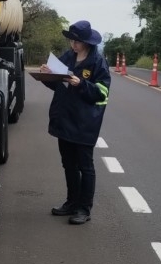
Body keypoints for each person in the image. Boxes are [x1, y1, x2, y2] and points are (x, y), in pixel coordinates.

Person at [39, 20, 111, 225]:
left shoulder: (98, 62)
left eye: (77, 41)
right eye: (71, 40)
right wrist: (47, 75)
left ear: (87, 42)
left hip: (85, 122)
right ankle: (71, 203)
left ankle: (83, 208)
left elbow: (102, 94)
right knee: (68, 164)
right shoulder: (68, 57)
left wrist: (82, 84)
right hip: (64, 119)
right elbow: (59, 86)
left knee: (85, 166)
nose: (73, 44)